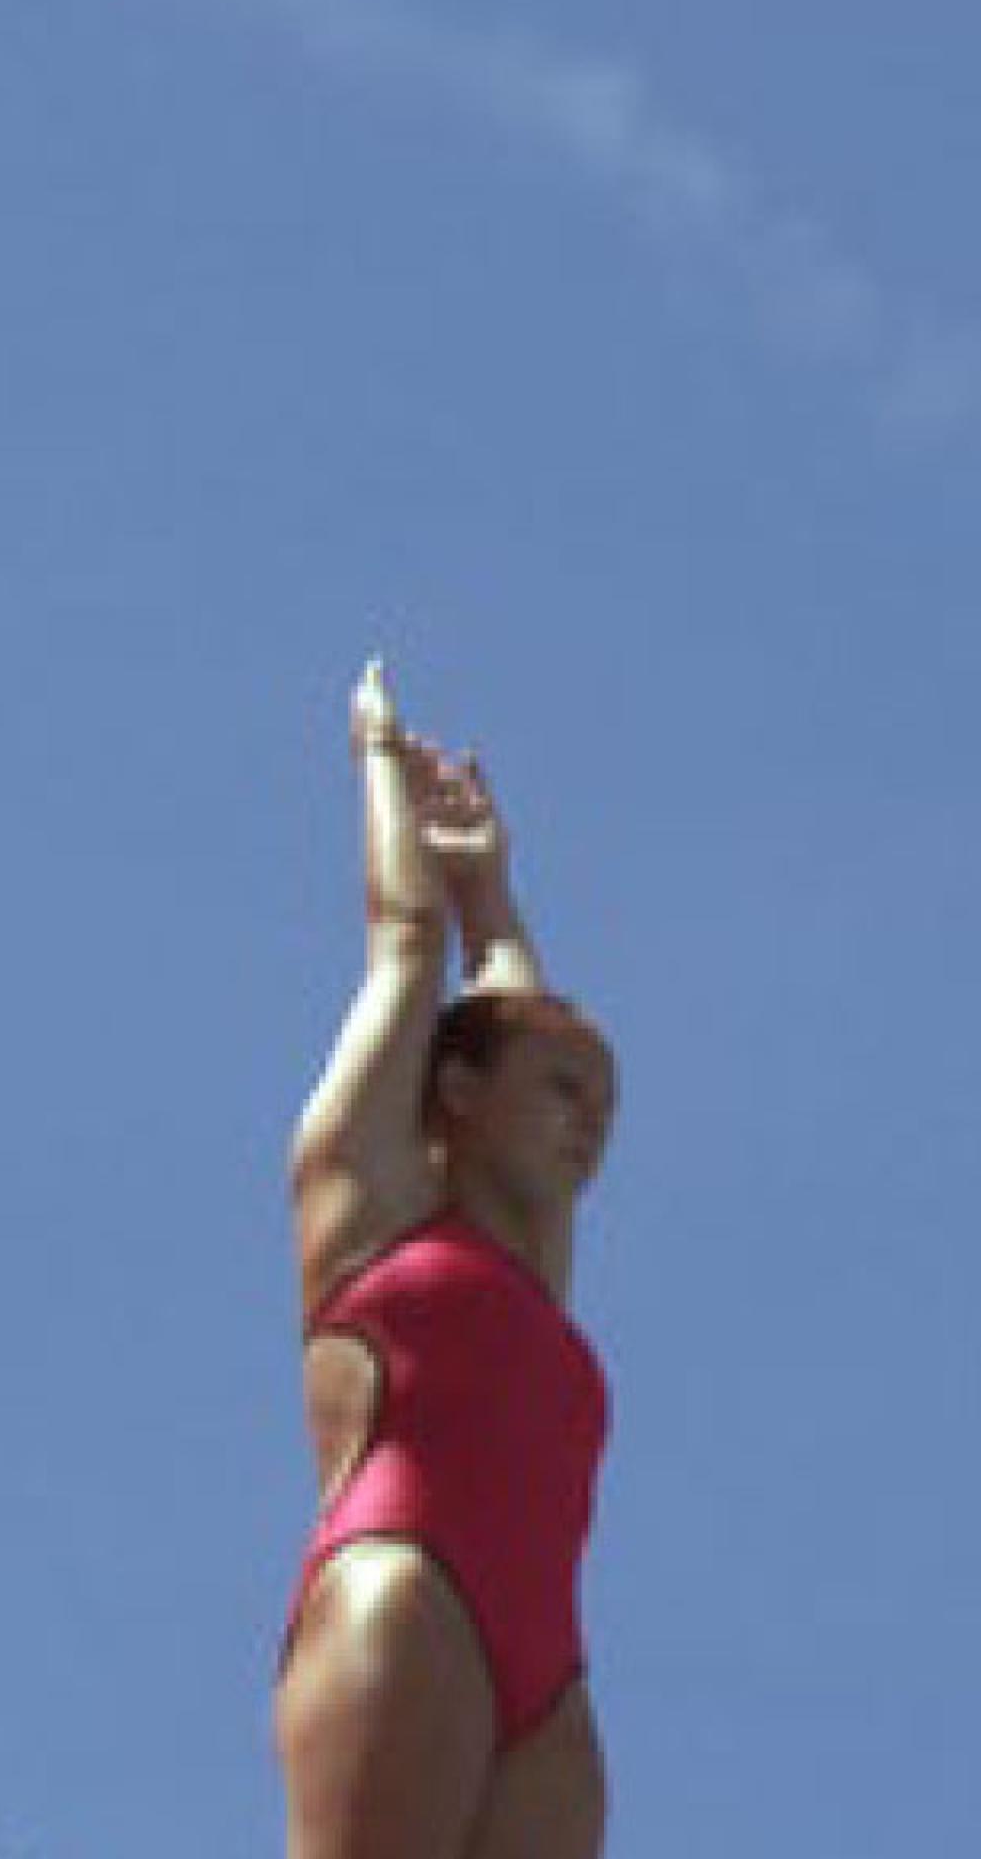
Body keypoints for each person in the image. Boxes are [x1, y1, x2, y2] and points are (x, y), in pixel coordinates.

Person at [278, 663, 622, 1859]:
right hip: (407, 1591)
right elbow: (407, 944)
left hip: (550, 1682)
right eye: (565, 1091)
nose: (590, 1124)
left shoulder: (531, 1265)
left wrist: (496, 893)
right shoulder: (367, 1207)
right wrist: (382, 760)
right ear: (460, 1089)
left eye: (605, 1107)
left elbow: (508, 1001)